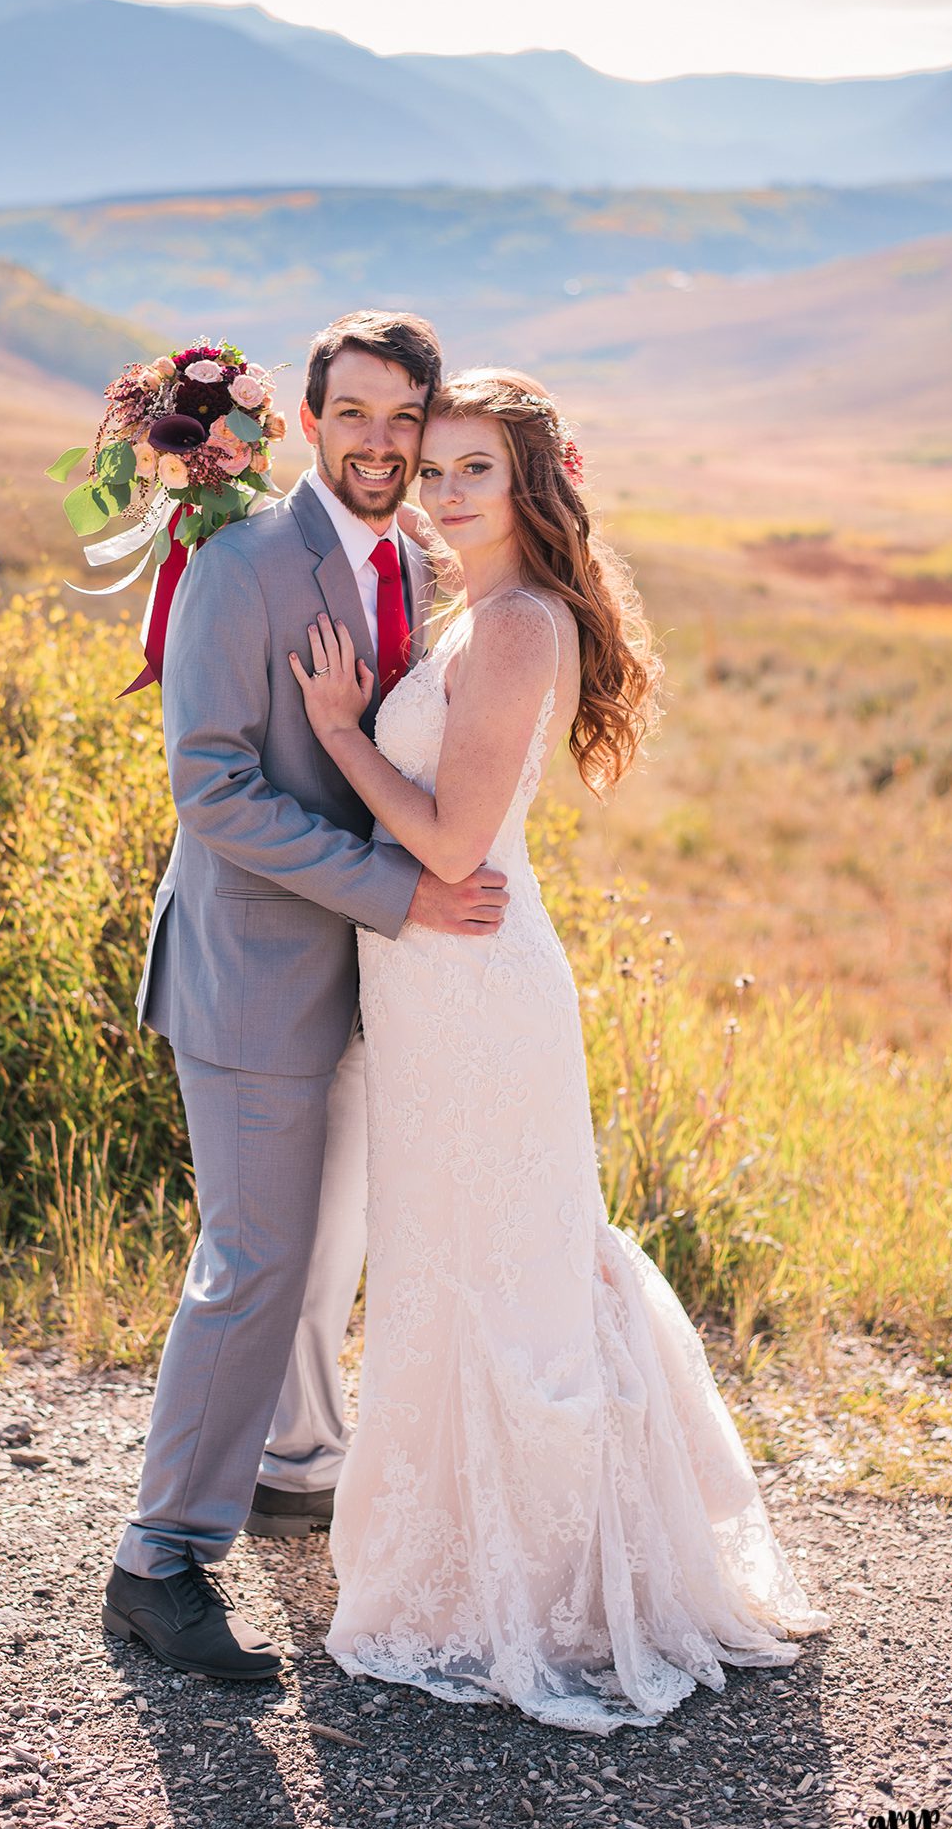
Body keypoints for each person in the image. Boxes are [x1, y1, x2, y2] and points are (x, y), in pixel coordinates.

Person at [289, 367, 829, 1733]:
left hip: (475, 986)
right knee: (449, 1253)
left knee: (509, 1263)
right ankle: (465, 1560)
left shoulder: (519, 622)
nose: (447, 489)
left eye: (478, 468)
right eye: (438, 466)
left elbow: (454, 843)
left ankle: (550, 1580)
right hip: (431, 986)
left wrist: (344, 734)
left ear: (535, 484)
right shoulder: (480, 609)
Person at [103, 312, 511, 1680]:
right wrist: (397, 892)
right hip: (252, 974)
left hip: (360, 985)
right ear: (311, 423)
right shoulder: (242, 565)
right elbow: (212, 788)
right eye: (356, 414)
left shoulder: (413, 560)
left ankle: (288, 1466)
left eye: (406, 418)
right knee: (254, 1260)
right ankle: (159, 1559)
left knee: (319, 1253)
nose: (384, 443)